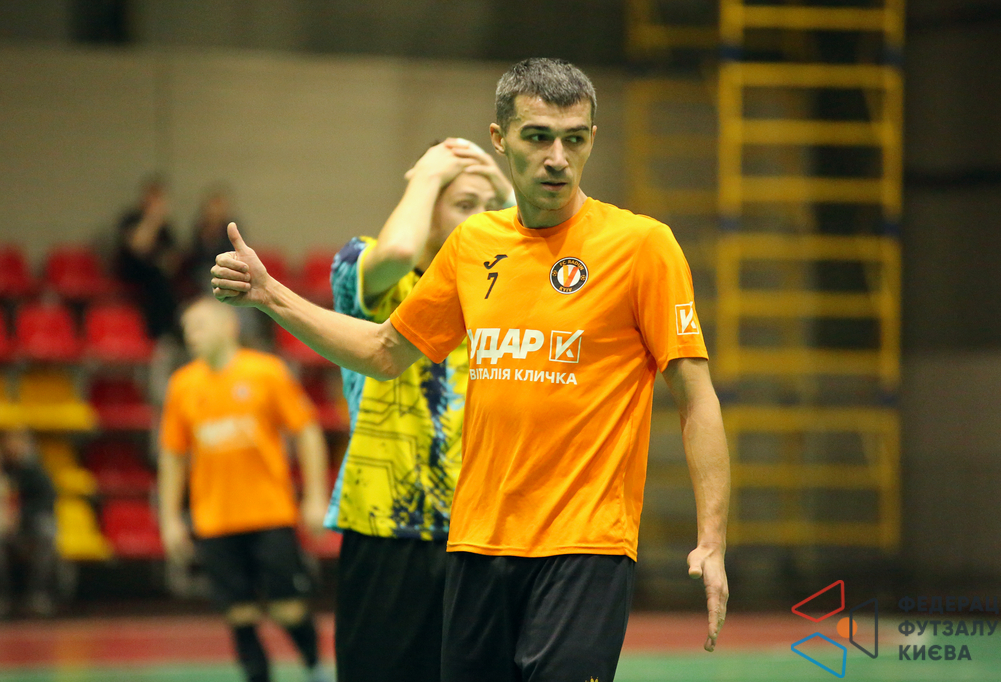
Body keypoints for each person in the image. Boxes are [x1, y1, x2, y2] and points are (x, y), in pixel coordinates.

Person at [211, 58, 730, 681]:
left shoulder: (643, 246)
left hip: (585, 546)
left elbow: (696, 396)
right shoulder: (473, 244)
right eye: (538, 137)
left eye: (575, 139)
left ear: (593, 138)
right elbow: (384, 350)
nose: (558, 158)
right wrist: (270, 295)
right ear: (499, 138)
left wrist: (712, 539)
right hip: (476, 546)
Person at [325, 137, 512, 681]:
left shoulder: (496, 293)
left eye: (490, 207)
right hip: (388, 530)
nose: (482, 219)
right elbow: (400, 251)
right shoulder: (362, 265)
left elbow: (552, 248)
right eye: (464, 204)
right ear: (425, 205)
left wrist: (506, 188)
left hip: (478, 533)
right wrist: (427, 173)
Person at [158, 298, 331, 682]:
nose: (192, 335)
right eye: (187, 328)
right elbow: (173, 456)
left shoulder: (266, 372)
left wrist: (316, 497)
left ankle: (315, 667)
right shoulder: (182, 385)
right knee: (239, 614)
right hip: (214, 520)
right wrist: (170, 519)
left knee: (288, 607)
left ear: (229, 327)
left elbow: (306, 430)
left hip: (270, 514)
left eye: (200, 325)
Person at [0, 428, 58, 618]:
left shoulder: (35, 473)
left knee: (46, 533)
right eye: (9, 442)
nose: (13, 447)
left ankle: (36, 596)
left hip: (27, 530)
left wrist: (20, 516)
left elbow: (47, 501)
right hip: (4, 530)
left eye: (18, 443)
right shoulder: (3, 471)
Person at [114, 176, 181, 340]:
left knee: (167, 285)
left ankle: (168, 335)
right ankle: (157, 335)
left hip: (157, 276)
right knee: (157, 283)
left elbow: (172, 258)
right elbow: (139, 246)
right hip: (131, 272)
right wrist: (152, 219)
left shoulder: (165, 228)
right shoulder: (131, 218)